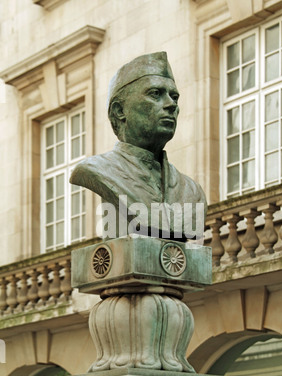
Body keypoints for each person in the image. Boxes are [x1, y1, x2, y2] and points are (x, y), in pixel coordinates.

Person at [70, 52, 207, 241]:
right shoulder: (97, 170)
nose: (171, 105)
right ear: (119, 111)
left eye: (174, 97)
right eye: (155, 94)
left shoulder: (192, 191)